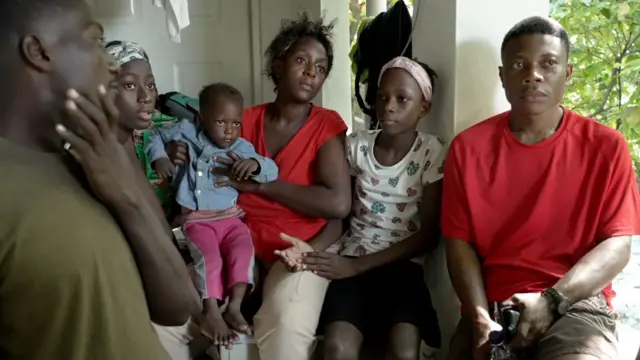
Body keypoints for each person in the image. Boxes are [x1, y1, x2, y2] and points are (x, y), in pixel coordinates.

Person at [0, 1, 198, 359]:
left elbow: (178, 305)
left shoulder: (100, 154)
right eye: (94, 40)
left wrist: (128, 197)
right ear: (38, 50)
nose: (109, 63)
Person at [156, 12, 352, 360]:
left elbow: (337, 204)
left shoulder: (326, 125)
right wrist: (175, 151)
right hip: (230, 236)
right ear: (278, 64)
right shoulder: (241, 120)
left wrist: (261, 188)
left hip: (296, 246)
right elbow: (193, 150)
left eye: (321, 68)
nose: (311, 72)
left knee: (286, 323)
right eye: (302, 60)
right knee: (166, 319)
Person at [442, 16, 640, 360]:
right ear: (503, 76)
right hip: (493, 305)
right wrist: (478, 319)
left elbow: (618, 245)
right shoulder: (468, 148)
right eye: (519, 64)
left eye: (548, 63)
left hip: (576, 304)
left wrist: (552, 301)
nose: (533, 74)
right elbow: (458, 244)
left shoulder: (607, 146)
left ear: (568, 73)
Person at [301, 56, 443, 360]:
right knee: (337, 348)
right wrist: (316, 251)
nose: (388, 106)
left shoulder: (430, 151)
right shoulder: (357, 146)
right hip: (352, 260)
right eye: (382, 97)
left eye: (402, 99)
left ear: (424, 108)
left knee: (404, 352)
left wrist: (357, 265)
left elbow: (430, 234)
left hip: (403, 267)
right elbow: (341, 212)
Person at [147, 83, 278, 346]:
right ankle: (210, 312)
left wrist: (254, 164)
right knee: (210, 259)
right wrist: (159, 158)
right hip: (197, 219)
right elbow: (155, 136)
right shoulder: (186, 133)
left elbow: (271, 169)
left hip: (230, 217)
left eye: (235, 123)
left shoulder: (241, 147)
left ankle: (234, 306)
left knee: (243, 253)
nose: (229, 130)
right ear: (202, 118)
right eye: (220, 121)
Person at [106, 40, 181, 216]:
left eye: (150, 85)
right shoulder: (94, 145)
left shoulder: (171, 128)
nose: (146, 97)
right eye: (130, 85)